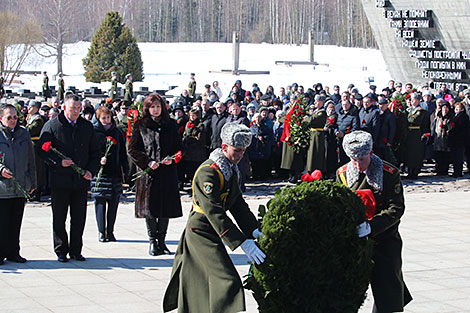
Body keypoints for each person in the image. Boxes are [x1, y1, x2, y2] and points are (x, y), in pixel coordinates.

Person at [163, 122, 265, 313]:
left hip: (213, 230)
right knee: (227, 281)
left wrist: (253, 230)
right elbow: (214, 211)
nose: (241, 155)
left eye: (243, 151)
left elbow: (237, 205)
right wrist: (242, 242)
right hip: (200, 231)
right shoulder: (208, 172)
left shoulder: (230, 168)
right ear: (224, 147)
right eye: (237, 150)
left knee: (199, 284)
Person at [336, 130, 412, 313]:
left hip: (385, 238)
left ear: (370, 153)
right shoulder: (343, 173)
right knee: (348, 289)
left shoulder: (388, 173)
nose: (358, 164)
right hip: (355, 240)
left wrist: (371, 226)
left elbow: (396, 208)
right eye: (354, 160)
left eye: (362, 159)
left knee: (388, 288)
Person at [39, 93, 100, 262]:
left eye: (78, 108)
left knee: (79, 218)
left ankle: (76, 250)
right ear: (64, 107)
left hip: (80, 181)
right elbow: (42, 152)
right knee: (59, 217)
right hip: (60, 180)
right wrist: (59, 162)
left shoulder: (86, 127)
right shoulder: (52, 125)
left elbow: (95, 152)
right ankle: (60, 250)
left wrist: (90, 171)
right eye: (72, 108)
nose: (75, 112)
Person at [128, 93, 182, 256]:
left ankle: (162, 241)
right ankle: (152, 241)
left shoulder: (171, 124)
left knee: (165, 208)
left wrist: (172, 159)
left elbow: (179, 148)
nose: (156, 110)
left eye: (158, 106)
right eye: (153, 107)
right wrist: (148, 162)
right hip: (148, 175)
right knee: (150, 209)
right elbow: (132, 150)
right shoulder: (140, 125)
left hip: (167, 173)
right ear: (147, 108)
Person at [0, 104, 36, 265]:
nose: (13, 120)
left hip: (20, 186)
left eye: (15, 117)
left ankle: (14, 252)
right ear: (1, 118)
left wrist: (33, 182)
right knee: (2, 223)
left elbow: (31, 159)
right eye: (9, 117)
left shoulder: (23, 134)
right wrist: (0, 170)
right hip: (3, 188)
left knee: (16, 222)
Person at [91, 106, 129, 242]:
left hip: (114, 172)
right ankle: (101, 231)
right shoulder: (94, 132)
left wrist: (125, 170)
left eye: (108, 117)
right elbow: (90, 152)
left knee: (114, 203)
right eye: (103, 118)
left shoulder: (117, 132)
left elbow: (123, 153)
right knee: (100, 202)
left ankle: (110, 230)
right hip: (100, 173)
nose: (106, 121)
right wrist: (99, 159)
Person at [406, 93, 429, 179]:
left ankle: (415, 171)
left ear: (419, 100)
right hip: (410, 134)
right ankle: (410, 170)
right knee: (409, 154)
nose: (412, 101)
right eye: (411, 99)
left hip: (417, 133)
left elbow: (414, 120)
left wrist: (424, 135)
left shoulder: (421, 111)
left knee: (416, 154)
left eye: (414, 99)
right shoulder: (410, 110)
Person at [26, 101, 45, 201]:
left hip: (35, 146)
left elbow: (30, 130)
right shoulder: (30, 118)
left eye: (31, 107)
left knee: (37, 169)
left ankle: (37, 192)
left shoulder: (38, 120)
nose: (28, 108)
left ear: (36, 109)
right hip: (30, 144)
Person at [305, 95, 327, 173]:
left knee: (316, 153)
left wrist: (306, 118)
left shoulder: (322, 113)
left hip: (317, 135)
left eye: (317, 101)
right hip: (313, 134)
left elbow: (311, 120)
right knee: (311, 153)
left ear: (321, 102)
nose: (315, 103)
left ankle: (316, 170)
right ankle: (311, 169)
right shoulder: (316, 111)